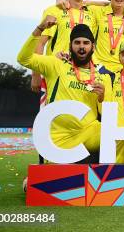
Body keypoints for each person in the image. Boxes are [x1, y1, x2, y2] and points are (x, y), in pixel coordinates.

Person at [17, 20, 111, 161]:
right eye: (77, 42)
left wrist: (102, 97)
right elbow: (24, 59)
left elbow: (107, 113)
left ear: (93, 47)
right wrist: (40, 29)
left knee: (115, 135)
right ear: (70, 45)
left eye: (86, 43)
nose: (81, 47)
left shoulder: (103, 76)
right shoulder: (57, 64)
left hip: (88, 133)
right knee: (56, 181)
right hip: (58, 138)